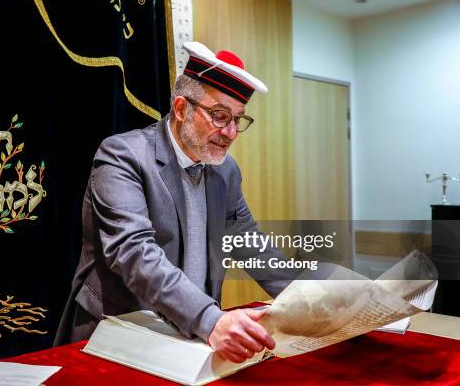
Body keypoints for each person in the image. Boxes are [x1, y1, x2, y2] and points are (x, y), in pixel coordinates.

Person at [55, 42, 297, 363]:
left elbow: (253, 248)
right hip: (119, 333)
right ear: (182, 109)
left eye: (239, 119)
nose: (231, 132)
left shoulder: (226, 172)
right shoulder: (122, 156)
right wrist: (211, 320)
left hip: (190, 336)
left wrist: (313, 299)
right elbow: (135, 254)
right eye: (220, 116)